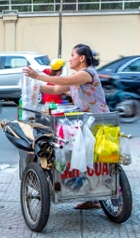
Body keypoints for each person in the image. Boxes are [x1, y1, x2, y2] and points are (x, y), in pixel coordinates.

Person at [23, 43, 109, 209]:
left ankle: (92, 193)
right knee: (81, 156)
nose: (69, 59)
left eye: (72, 55)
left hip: (98, 123)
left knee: (90, 159)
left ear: (81, 58)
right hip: (86, 123)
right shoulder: (77, 76)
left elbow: (63, 80)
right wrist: (31, 86)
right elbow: (56, 88)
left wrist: (37, 76)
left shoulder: (87, 73)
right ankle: (91, 196)